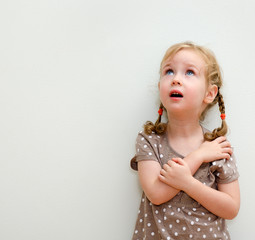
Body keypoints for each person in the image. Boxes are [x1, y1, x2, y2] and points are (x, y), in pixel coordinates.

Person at [130, 42, 240, 240]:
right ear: (159, 87)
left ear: (209, 93)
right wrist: (198, 156)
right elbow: (156, 193)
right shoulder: (149, 140)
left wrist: (188, 183)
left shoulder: (217, 146)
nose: (176, 79)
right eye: (169, 71)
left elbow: (231, 208)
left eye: (189, 72)